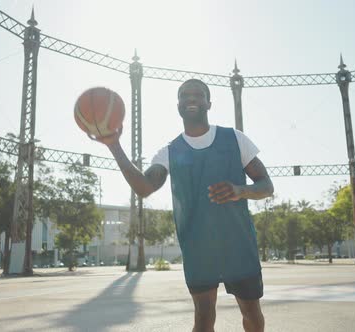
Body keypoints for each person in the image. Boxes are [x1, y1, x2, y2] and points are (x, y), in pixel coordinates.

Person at [95, 79, 273, 332]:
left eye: (198, 95)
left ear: (208, 103)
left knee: (252, 314)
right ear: (177, 104)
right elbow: (144, 187)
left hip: (238, 244)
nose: (191, 99)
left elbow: (267, 185)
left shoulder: (234, 138)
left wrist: (240, 191)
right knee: (203, 317)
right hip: (199, 249)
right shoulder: (170, 152)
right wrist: (114, 145)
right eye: (184, 95)